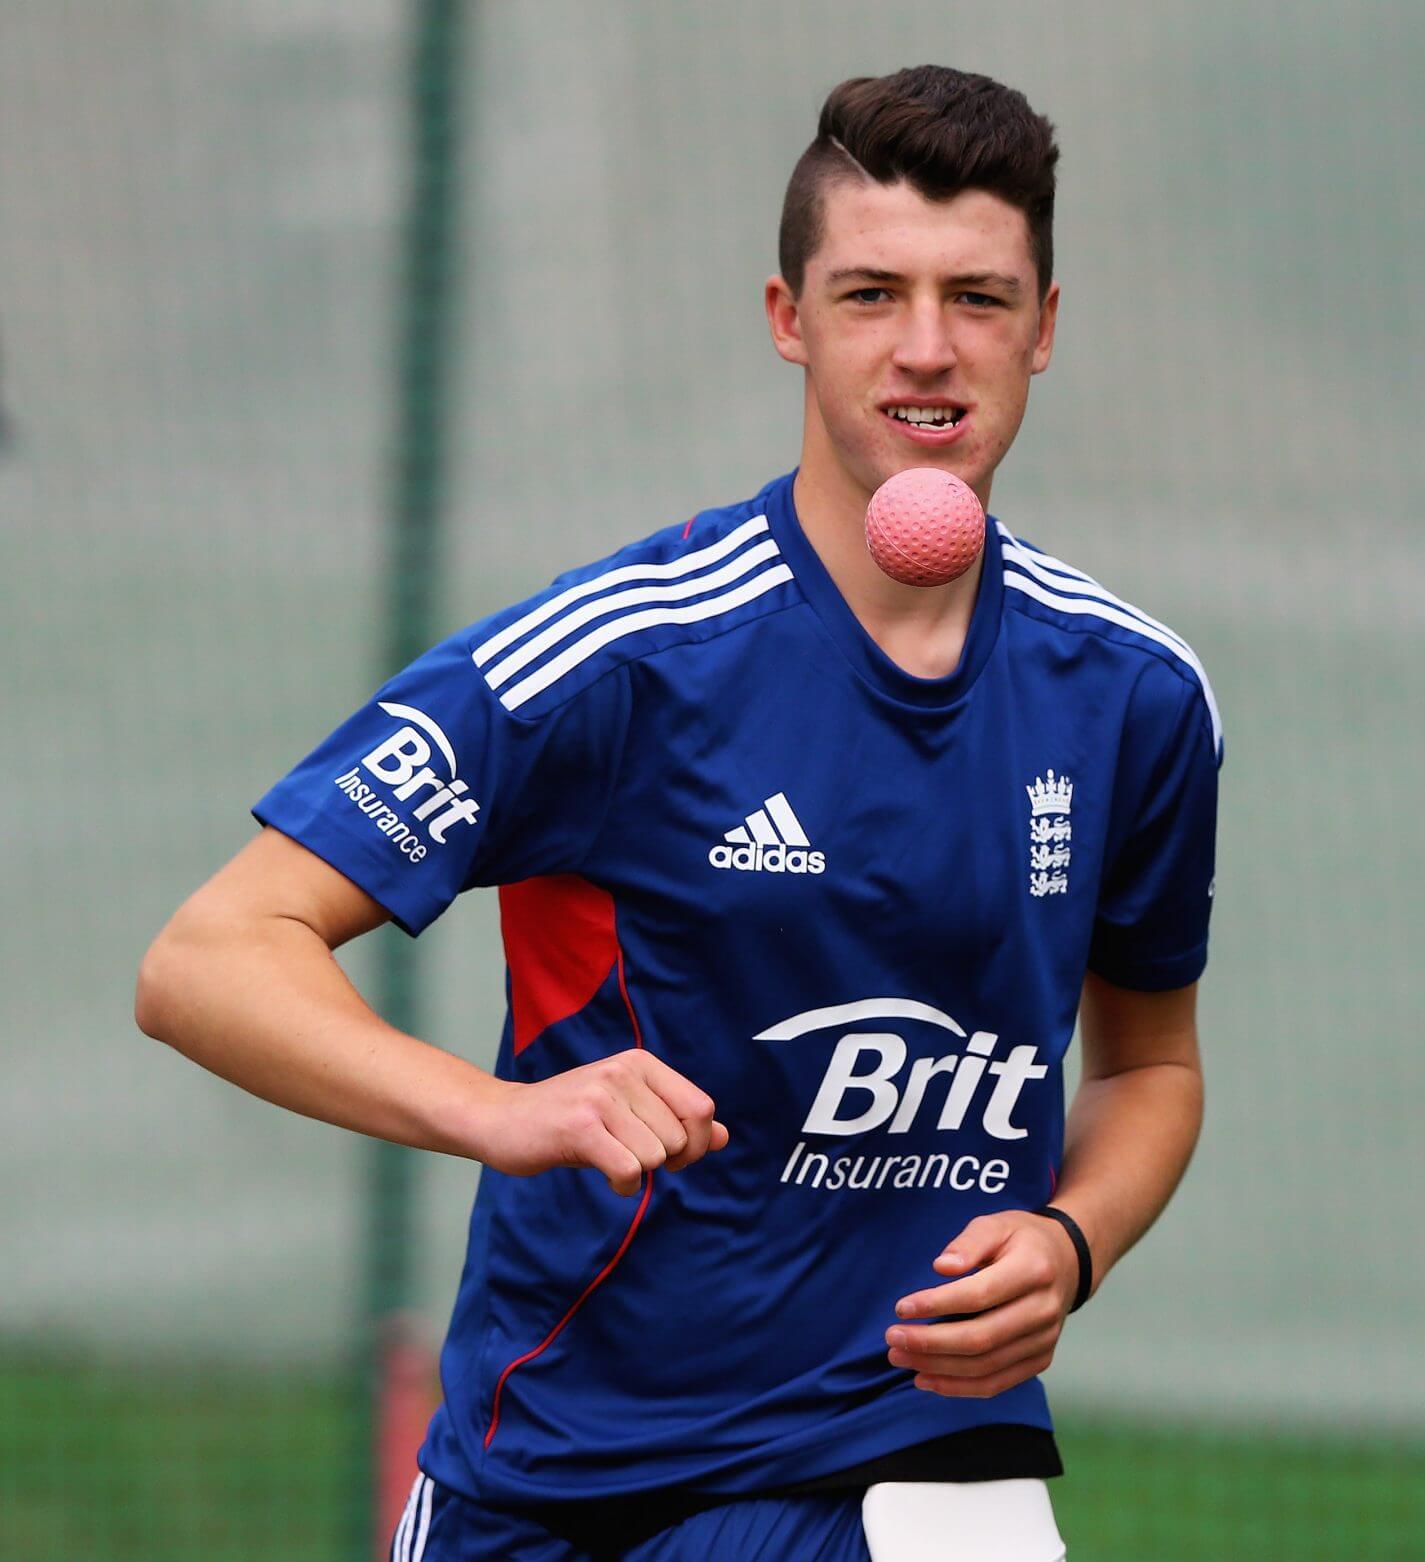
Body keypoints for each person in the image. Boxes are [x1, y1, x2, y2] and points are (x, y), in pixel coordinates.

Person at [134, 65, 1219, 1561]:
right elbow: (207, 955)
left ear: (1044, 326)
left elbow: (1150, 1064)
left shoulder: (1134, 698)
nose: (927, 350)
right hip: (546, 1479)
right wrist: (502, 1112)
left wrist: (1074, 1234)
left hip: (895, 1460)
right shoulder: (626, 659)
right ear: (787, 319)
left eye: (978, 297)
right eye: (870, 295)